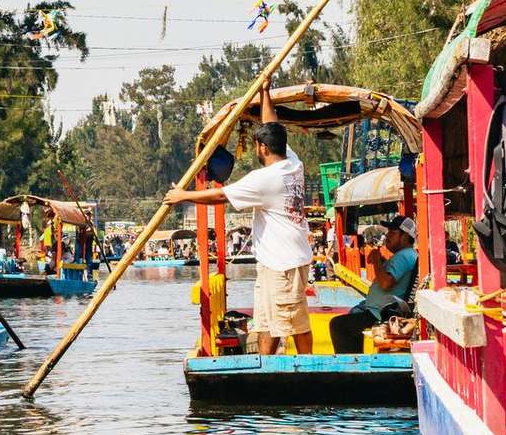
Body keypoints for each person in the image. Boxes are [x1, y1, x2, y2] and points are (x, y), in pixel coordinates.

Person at [165, 121, 314, 356]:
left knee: (294, 323)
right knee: (265, 321)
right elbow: (269, 121)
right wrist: (264, 91)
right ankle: (265, 368)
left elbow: (220, 195)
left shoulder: (265, 178)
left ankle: (309, 369)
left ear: (263, 148)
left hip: (286, 263)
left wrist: (183, 196)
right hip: (271, 263)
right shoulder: (293, 163)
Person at [328, 218, 419, 353]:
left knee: (338, 325)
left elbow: (385, 283)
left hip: (380, 314)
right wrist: (381, 261)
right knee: (353, 314)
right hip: (377, 309)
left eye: (392, 233)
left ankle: (350, 370)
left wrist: (376, 259)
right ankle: (355, 365)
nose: (387, 236)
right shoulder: (406, 255)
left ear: (405, 236)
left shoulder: (404, 256)